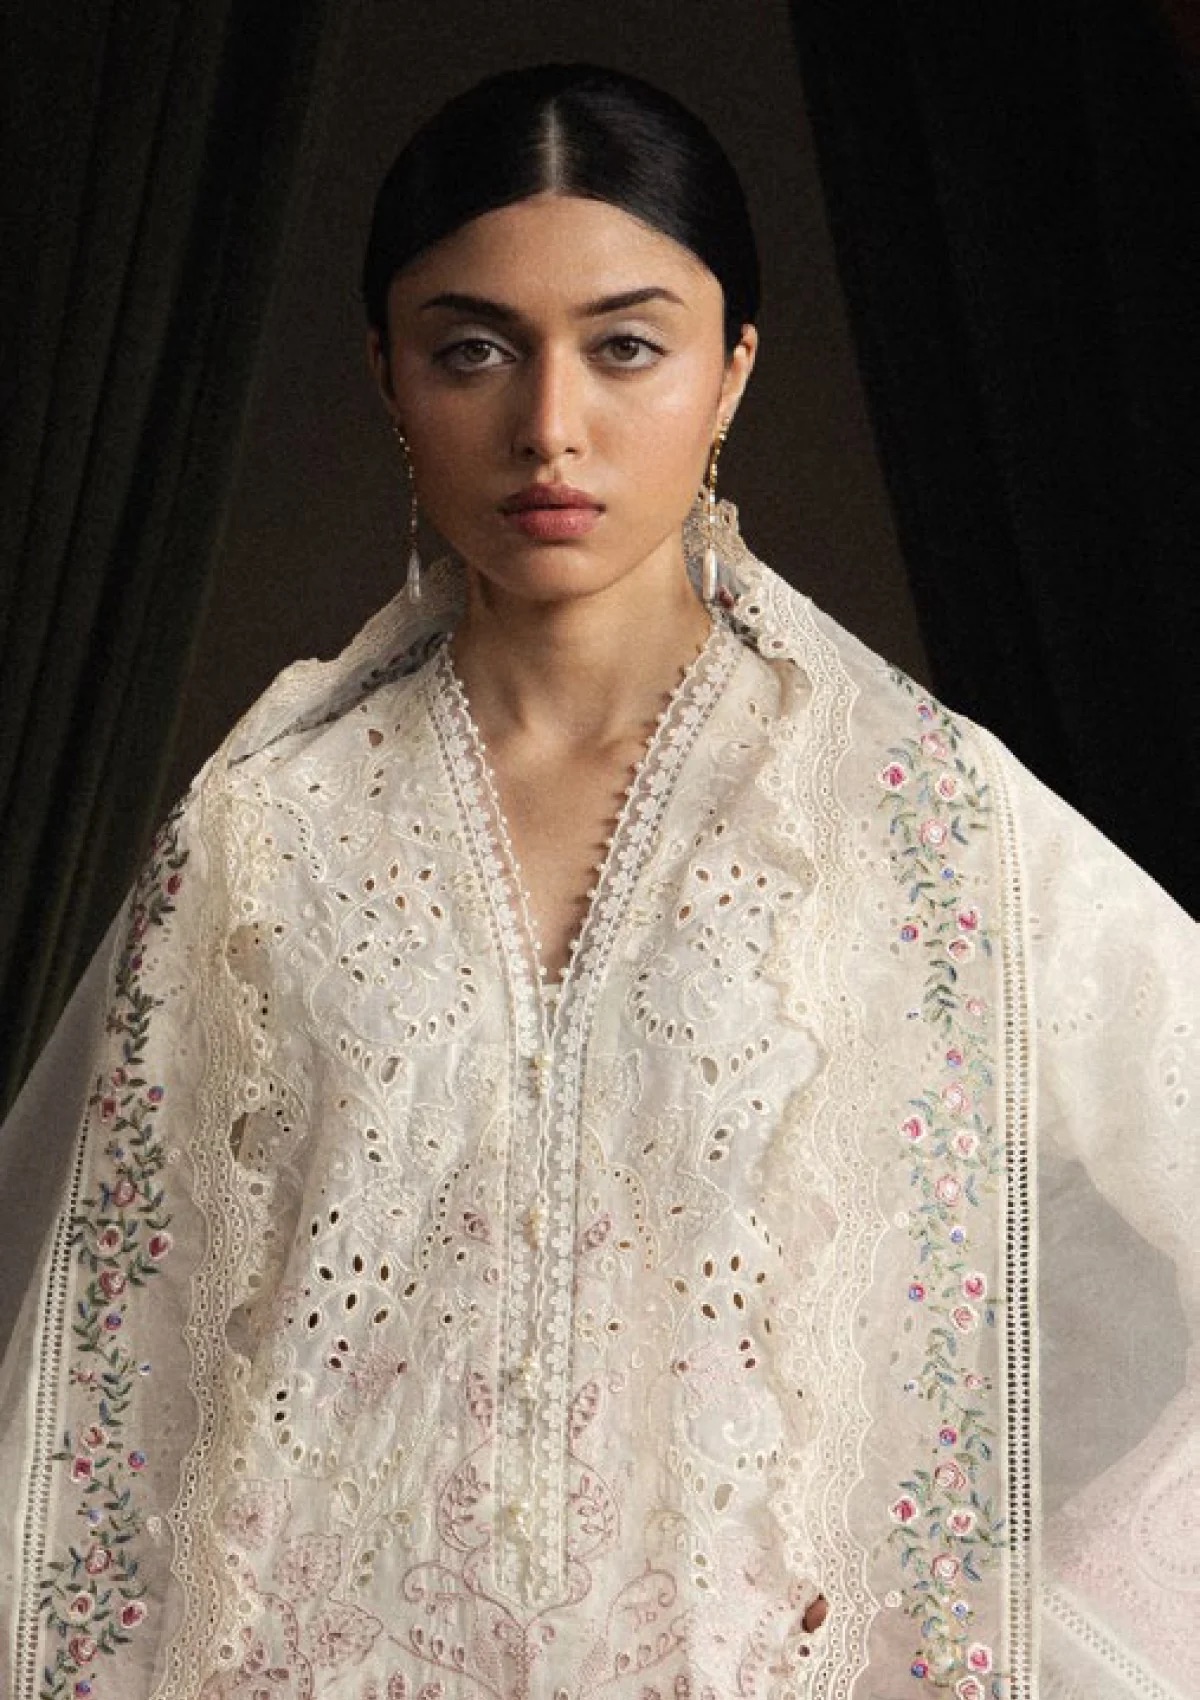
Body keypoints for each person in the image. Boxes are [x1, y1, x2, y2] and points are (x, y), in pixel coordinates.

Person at [1, 60, 1195, 1700]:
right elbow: (114, 1396)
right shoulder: (267, 828)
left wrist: (977, 1611)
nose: (549, 425)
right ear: (386, 372)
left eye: (626, 346)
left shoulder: (913, 814)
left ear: (732, 371)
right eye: (472, 349)